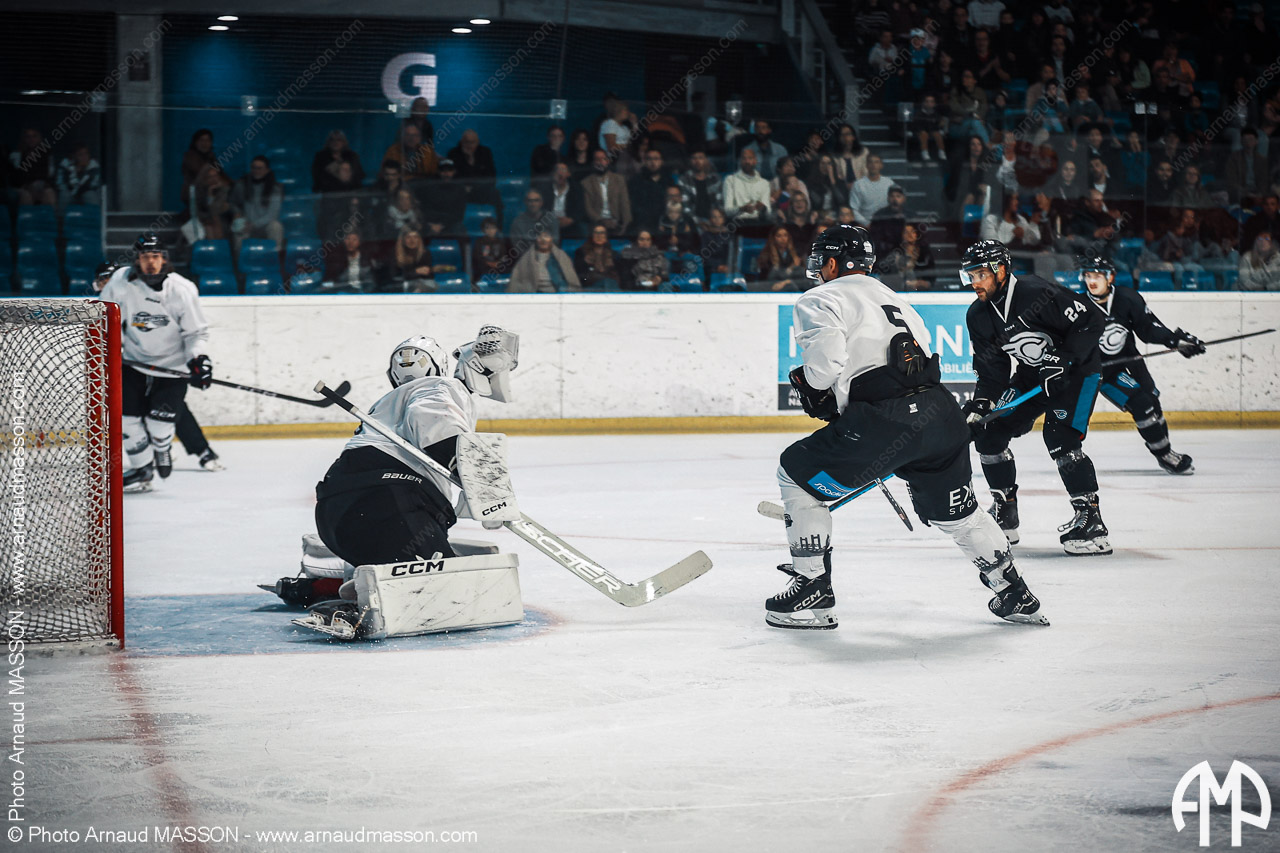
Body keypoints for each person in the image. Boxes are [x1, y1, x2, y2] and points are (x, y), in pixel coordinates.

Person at [768, 224, 1047, 630]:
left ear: (831, 263)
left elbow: (826, 366)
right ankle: (1014, 591)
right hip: (940, 416)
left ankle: (812, 585)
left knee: (795, 474)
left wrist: (816, 389)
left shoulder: (819, 298)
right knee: (961, 515)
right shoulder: (894, 297)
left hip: (884, 420)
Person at [286, 330, 517, 632]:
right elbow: (435, 424)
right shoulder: (441, 386)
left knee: (396, 563)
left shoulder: (386, 404)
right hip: (390, 506)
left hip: (337, 517)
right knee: (446, 591)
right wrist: (485, 488)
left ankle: (320, 586)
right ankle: (357, 606)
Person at [961, 240, 1111, 556]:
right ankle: (1005, 512)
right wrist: (981, 406)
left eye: (980, 275)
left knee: (1060, 436)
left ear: (1001, 270)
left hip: (1077, 374)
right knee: (989, 431)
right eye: (970, 276)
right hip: (1033, 377)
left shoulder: (1036, 292)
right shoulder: (978, 315)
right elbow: (991, 372)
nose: (975, 283)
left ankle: (1091, 520)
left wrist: (1065, 357)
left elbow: (1091, 320)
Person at [98, 234, 211, 492]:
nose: (151, 263)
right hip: (134, 363)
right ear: (137, 260)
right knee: (126, 420)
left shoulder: (181, 289)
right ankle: (142, 469)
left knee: (159, 424)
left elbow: (196, 332)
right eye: (145, 257)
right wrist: (111, 351)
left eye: (156, 257)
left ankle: (162, 447)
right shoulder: (121, 282)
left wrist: (197, 360)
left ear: (164, 259)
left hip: (172, 367)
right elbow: (106, 319)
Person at [1077, 256, 1205, 474]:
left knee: (1152, 402)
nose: (1092, 281)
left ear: (1110, 277)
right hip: (1103, 370)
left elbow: (1148, 328)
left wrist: (1176, 341)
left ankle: (1166, 451)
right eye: (1088, 276)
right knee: (1141, 403)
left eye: (1097, 276)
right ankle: (1165, 456)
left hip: (1131, 361)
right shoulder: (1078, 306)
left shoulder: (1128, 298)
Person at [229, 156, 285, 253]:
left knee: (276, 226)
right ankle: (241, 259)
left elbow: (272, 214)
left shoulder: (275, 188)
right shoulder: (241, 185)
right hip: (246, 223)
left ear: (267, 170)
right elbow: (233, 203)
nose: (256, 171)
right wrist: (237, 215)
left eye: (259, 168)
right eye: (253, 168)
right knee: (238, 228)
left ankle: (274, 257)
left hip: (264, 225)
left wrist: (253, 225)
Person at [509, 231, 578, 293]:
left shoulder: (561, 256)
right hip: (534, 295)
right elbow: (517, 280)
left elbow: (571, 278)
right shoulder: (527, 257)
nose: (543, 240)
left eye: (546, 236)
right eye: (540, 237)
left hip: (557, 294)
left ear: (552, 239)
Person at [722, 148, 771, 225]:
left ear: (755, 161)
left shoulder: (764, 183)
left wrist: (763, 208)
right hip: (737, 223)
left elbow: (769, 212)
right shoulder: (730, 180)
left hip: (757, 223)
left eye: (750, 158)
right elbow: (727, 211)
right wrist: (742, 209)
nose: (747, 161)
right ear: (739, 161)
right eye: (744, 158)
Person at [573, 224, 622, 290]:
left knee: (608, 282)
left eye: (602, 233)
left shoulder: (614, 254)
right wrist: (585, 262)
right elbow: (580, 276)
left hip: (611, 285)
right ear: (591, 235)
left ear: (606, 236)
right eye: (596, 233)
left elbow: (620, 276)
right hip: (590, 287)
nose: (599, 236)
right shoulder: (581, 252)